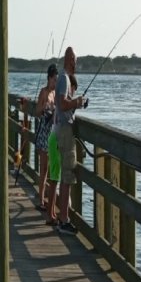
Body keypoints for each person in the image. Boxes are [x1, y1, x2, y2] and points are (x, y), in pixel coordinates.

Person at [45, 47, 87, 233]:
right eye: (73, 60)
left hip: (61, 129)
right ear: (67, 59)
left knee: (65, 175)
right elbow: (62, 104)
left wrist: (76, 104)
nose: (75, 63)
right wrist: (76, 102)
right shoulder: (63, 78)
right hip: (64, 130)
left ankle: (62, 217)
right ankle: (64, 219)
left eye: (75, 61)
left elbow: (62, 105)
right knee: (67, 175)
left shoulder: (65, 79)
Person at [34, 63, 58, 210]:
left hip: (52, 132)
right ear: (49, 78)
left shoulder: (55, 94)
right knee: (43, 169)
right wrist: (45, 107)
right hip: (43, 133)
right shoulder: (43, 92)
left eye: (57, 80)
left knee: (50, 169)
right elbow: (36, 111)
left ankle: (49, 200)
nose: (55, 82)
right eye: (54, 79)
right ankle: (41, 200)